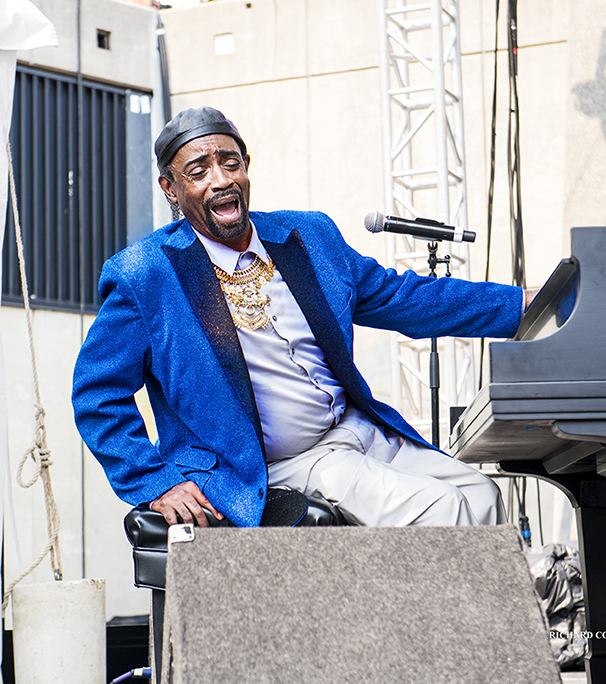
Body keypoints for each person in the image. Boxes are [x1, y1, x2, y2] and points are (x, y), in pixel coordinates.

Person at [73, 107, 532, 529]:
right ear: (170, 188)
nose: (220, 180)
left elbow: (402, 296)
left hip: (357, 428)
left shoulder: (308, 235)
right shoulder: (146, 275)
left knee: (482, 494)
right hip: (277, 464)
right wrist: (156, 482)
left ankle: (479, 621)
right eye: (198, 172)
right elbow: (98, 393)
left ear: (246, 165)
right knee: (443, 510)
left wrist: (522, 306)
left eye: (230, 163)